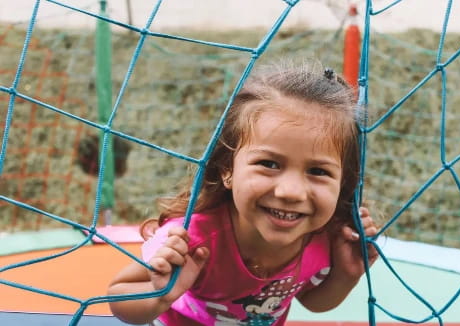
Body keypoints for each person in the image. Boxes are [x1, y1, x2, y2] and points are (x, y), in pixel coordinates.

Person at [107, 60, 379, 326]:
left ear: (343, 183)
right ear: (228, 169)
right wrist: (160, 295)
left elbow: (312, 302)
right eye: (269, 164)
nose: (291, 192)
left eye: (318, 171)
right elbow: (119, 298)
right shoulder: (192, 239)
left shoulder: (325, 236)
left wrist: (346, 274)